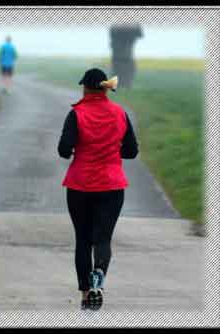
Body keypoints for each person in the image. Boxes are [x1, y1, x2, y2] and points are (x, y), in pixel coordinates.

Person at [57, 68, 139, 311]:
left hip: (80, 185)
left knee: (83, 240)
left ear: (86, 88)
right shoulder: (120, 113)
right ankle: (98, 281)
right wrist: (114, 150)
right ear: (104, 89)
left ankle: (85, 295)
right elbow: (132, 152)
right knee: (102, 238)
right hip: (112, 186)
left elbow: (63, 149)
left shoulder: (76, 114)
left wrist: (76, 150)